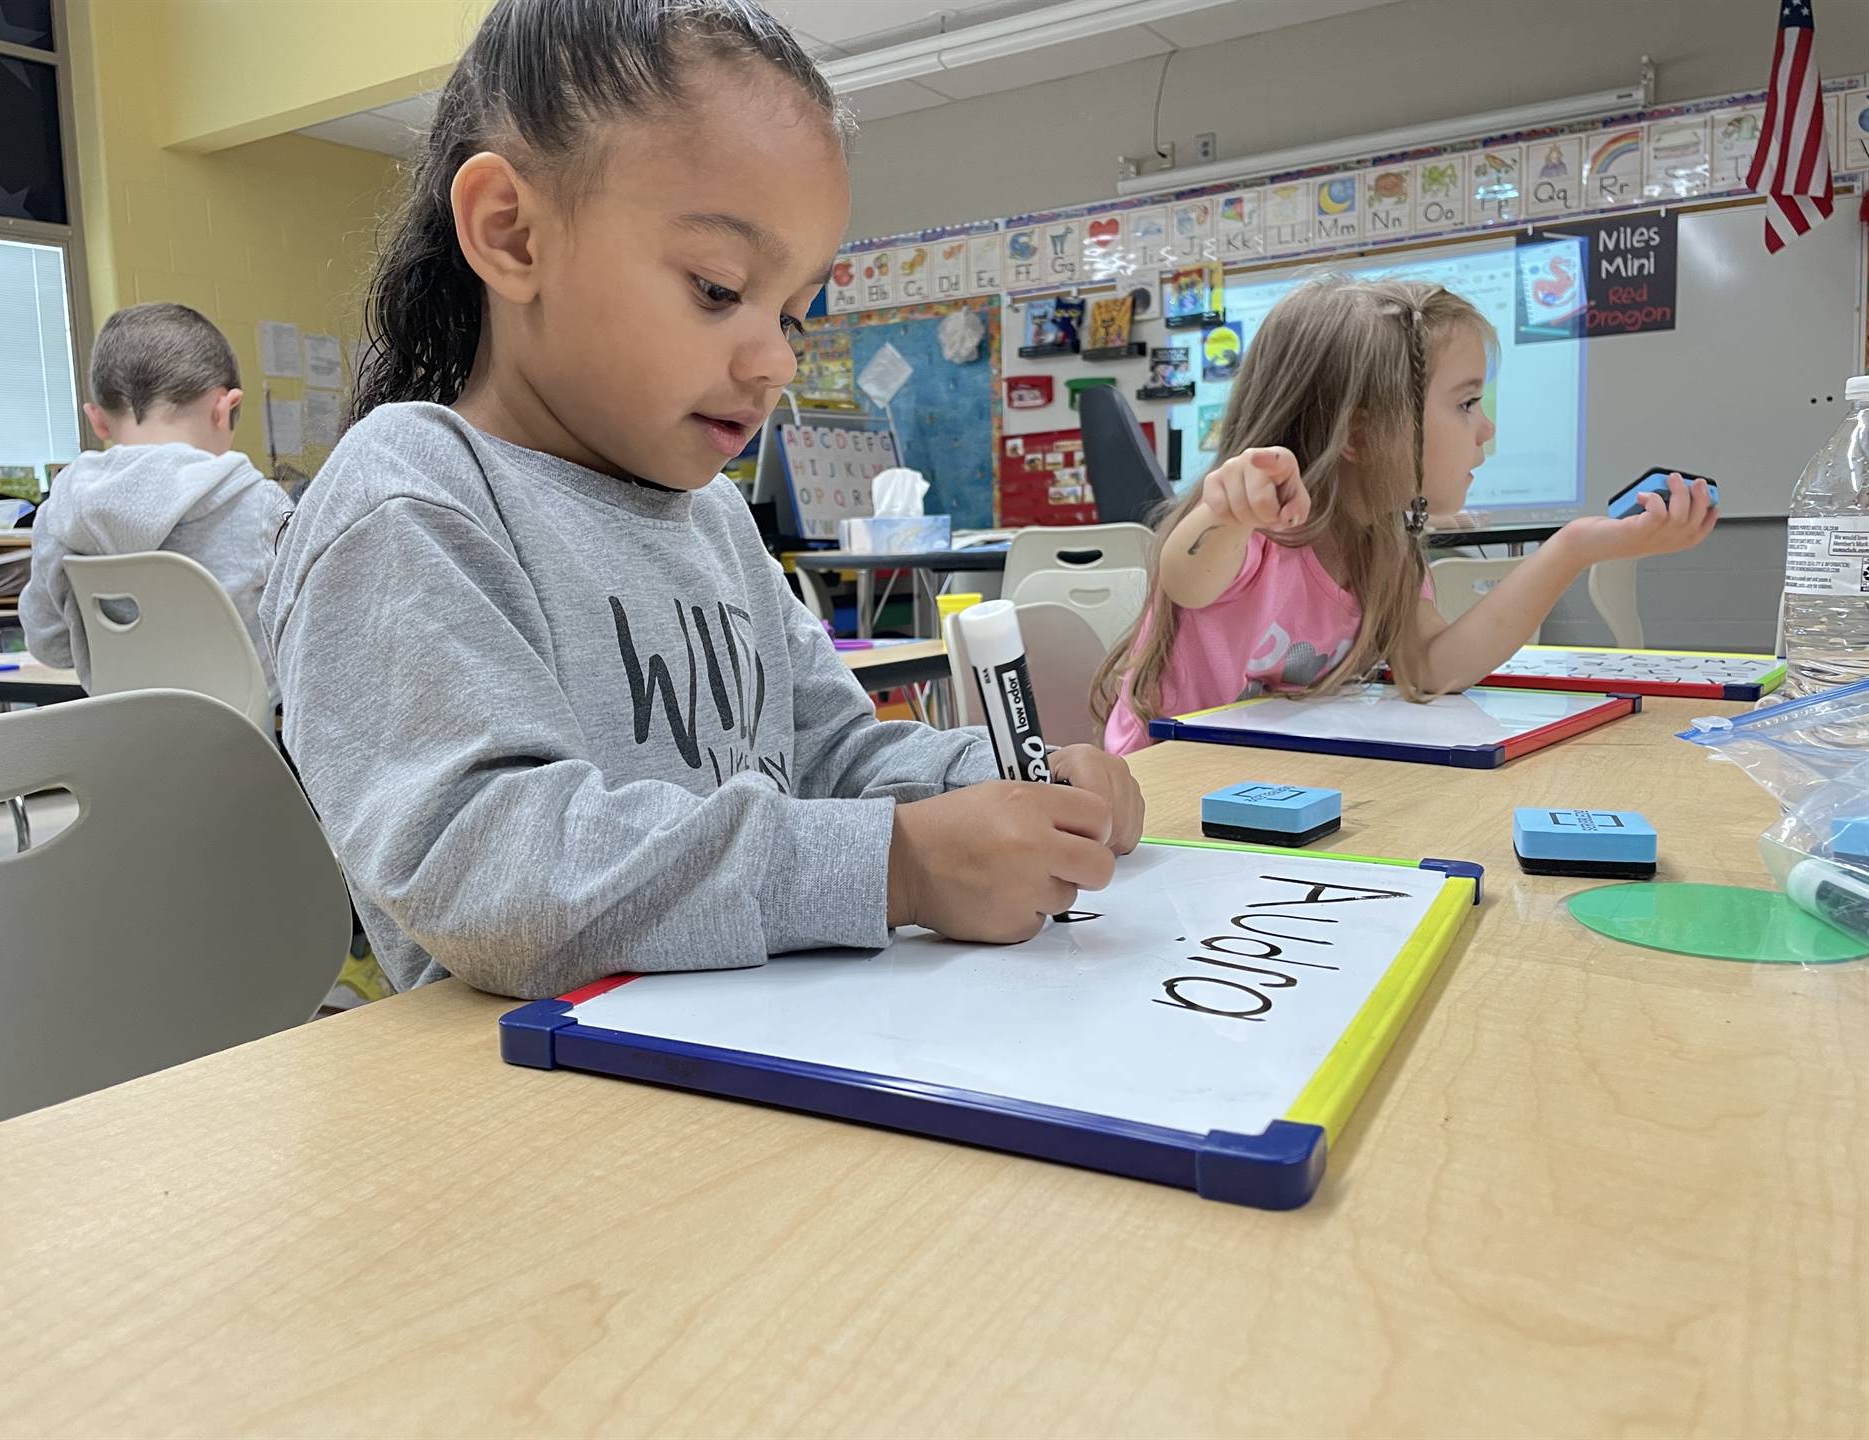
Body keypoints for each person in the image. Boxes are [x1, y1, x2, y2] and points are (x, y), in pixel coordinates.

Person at [263, 0, 1143, 999]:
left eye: (794, 314)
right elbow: (492, 871)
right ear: (511, 234)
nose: (774, 360)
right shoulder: (411, 495)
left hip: (756, 1061)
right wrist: (897, 864)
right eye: (719, 289)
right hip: (541, 1103)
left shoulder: (716, 520)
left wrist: (1004, 784)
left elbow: (837, 755)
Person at [1097, 275, 1717, 754]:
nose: (1487, 428)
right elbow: (1188, 577)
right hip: (1164, 791)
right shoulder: (1259, 530)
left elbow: (1432, 667)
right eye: (1467, 403)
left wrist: (1573, 547)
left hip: (1268, 782)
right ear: (1360, 433)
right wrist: (1227, 513)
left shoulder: (1385, 548)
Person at [19, 302, 291, 696]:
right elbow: (310, 637)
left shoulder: (60, 513)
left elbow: (50, 646)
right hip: (246, 748)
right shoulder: (261, 504)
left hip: (124, 746)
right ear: (225, 408)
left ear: (97, 419)